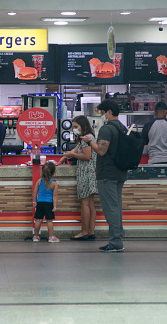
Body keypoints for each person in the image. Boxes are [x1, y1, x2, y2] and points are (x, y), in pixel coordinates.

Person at [82, 100, 127, 252]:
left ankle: (115, 242)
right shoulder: (122, 127)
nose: (101, 115)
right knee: (117, 207)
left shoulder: (107, 129)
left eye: (102, 112)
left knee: (111, 209)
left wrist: (90, 142)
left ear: (109, 112)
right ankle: (118, 236)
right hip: (120, 171)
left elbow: (101, 150)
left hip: (107, 173)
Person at [59, 115, 98, 240]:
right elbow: (76, 150)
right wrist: (67, 156)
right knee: (90, 203)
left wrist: (72, 154)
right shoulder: (86, 138)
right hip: (91, 173)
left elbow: (86, 156)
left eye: (76, 127)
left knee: (85, 203)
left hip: (86, 173)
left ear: (83, 126)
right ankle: (91, 231)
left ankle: (84, 232)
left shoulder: (87, 139)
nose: (74, 129)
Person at [32, 161, 59, 243]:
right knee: (49, 221)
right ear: (53, 172)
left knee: (38, 220)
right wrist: (55, 205)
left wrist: (35, 202)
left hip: (40, 203)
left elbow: (35, 192)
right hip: (49, 203)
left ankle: (36, 236)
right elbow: (55, 196)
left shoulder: (39, 181)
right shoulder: (54, 183)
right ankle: (51, 237)